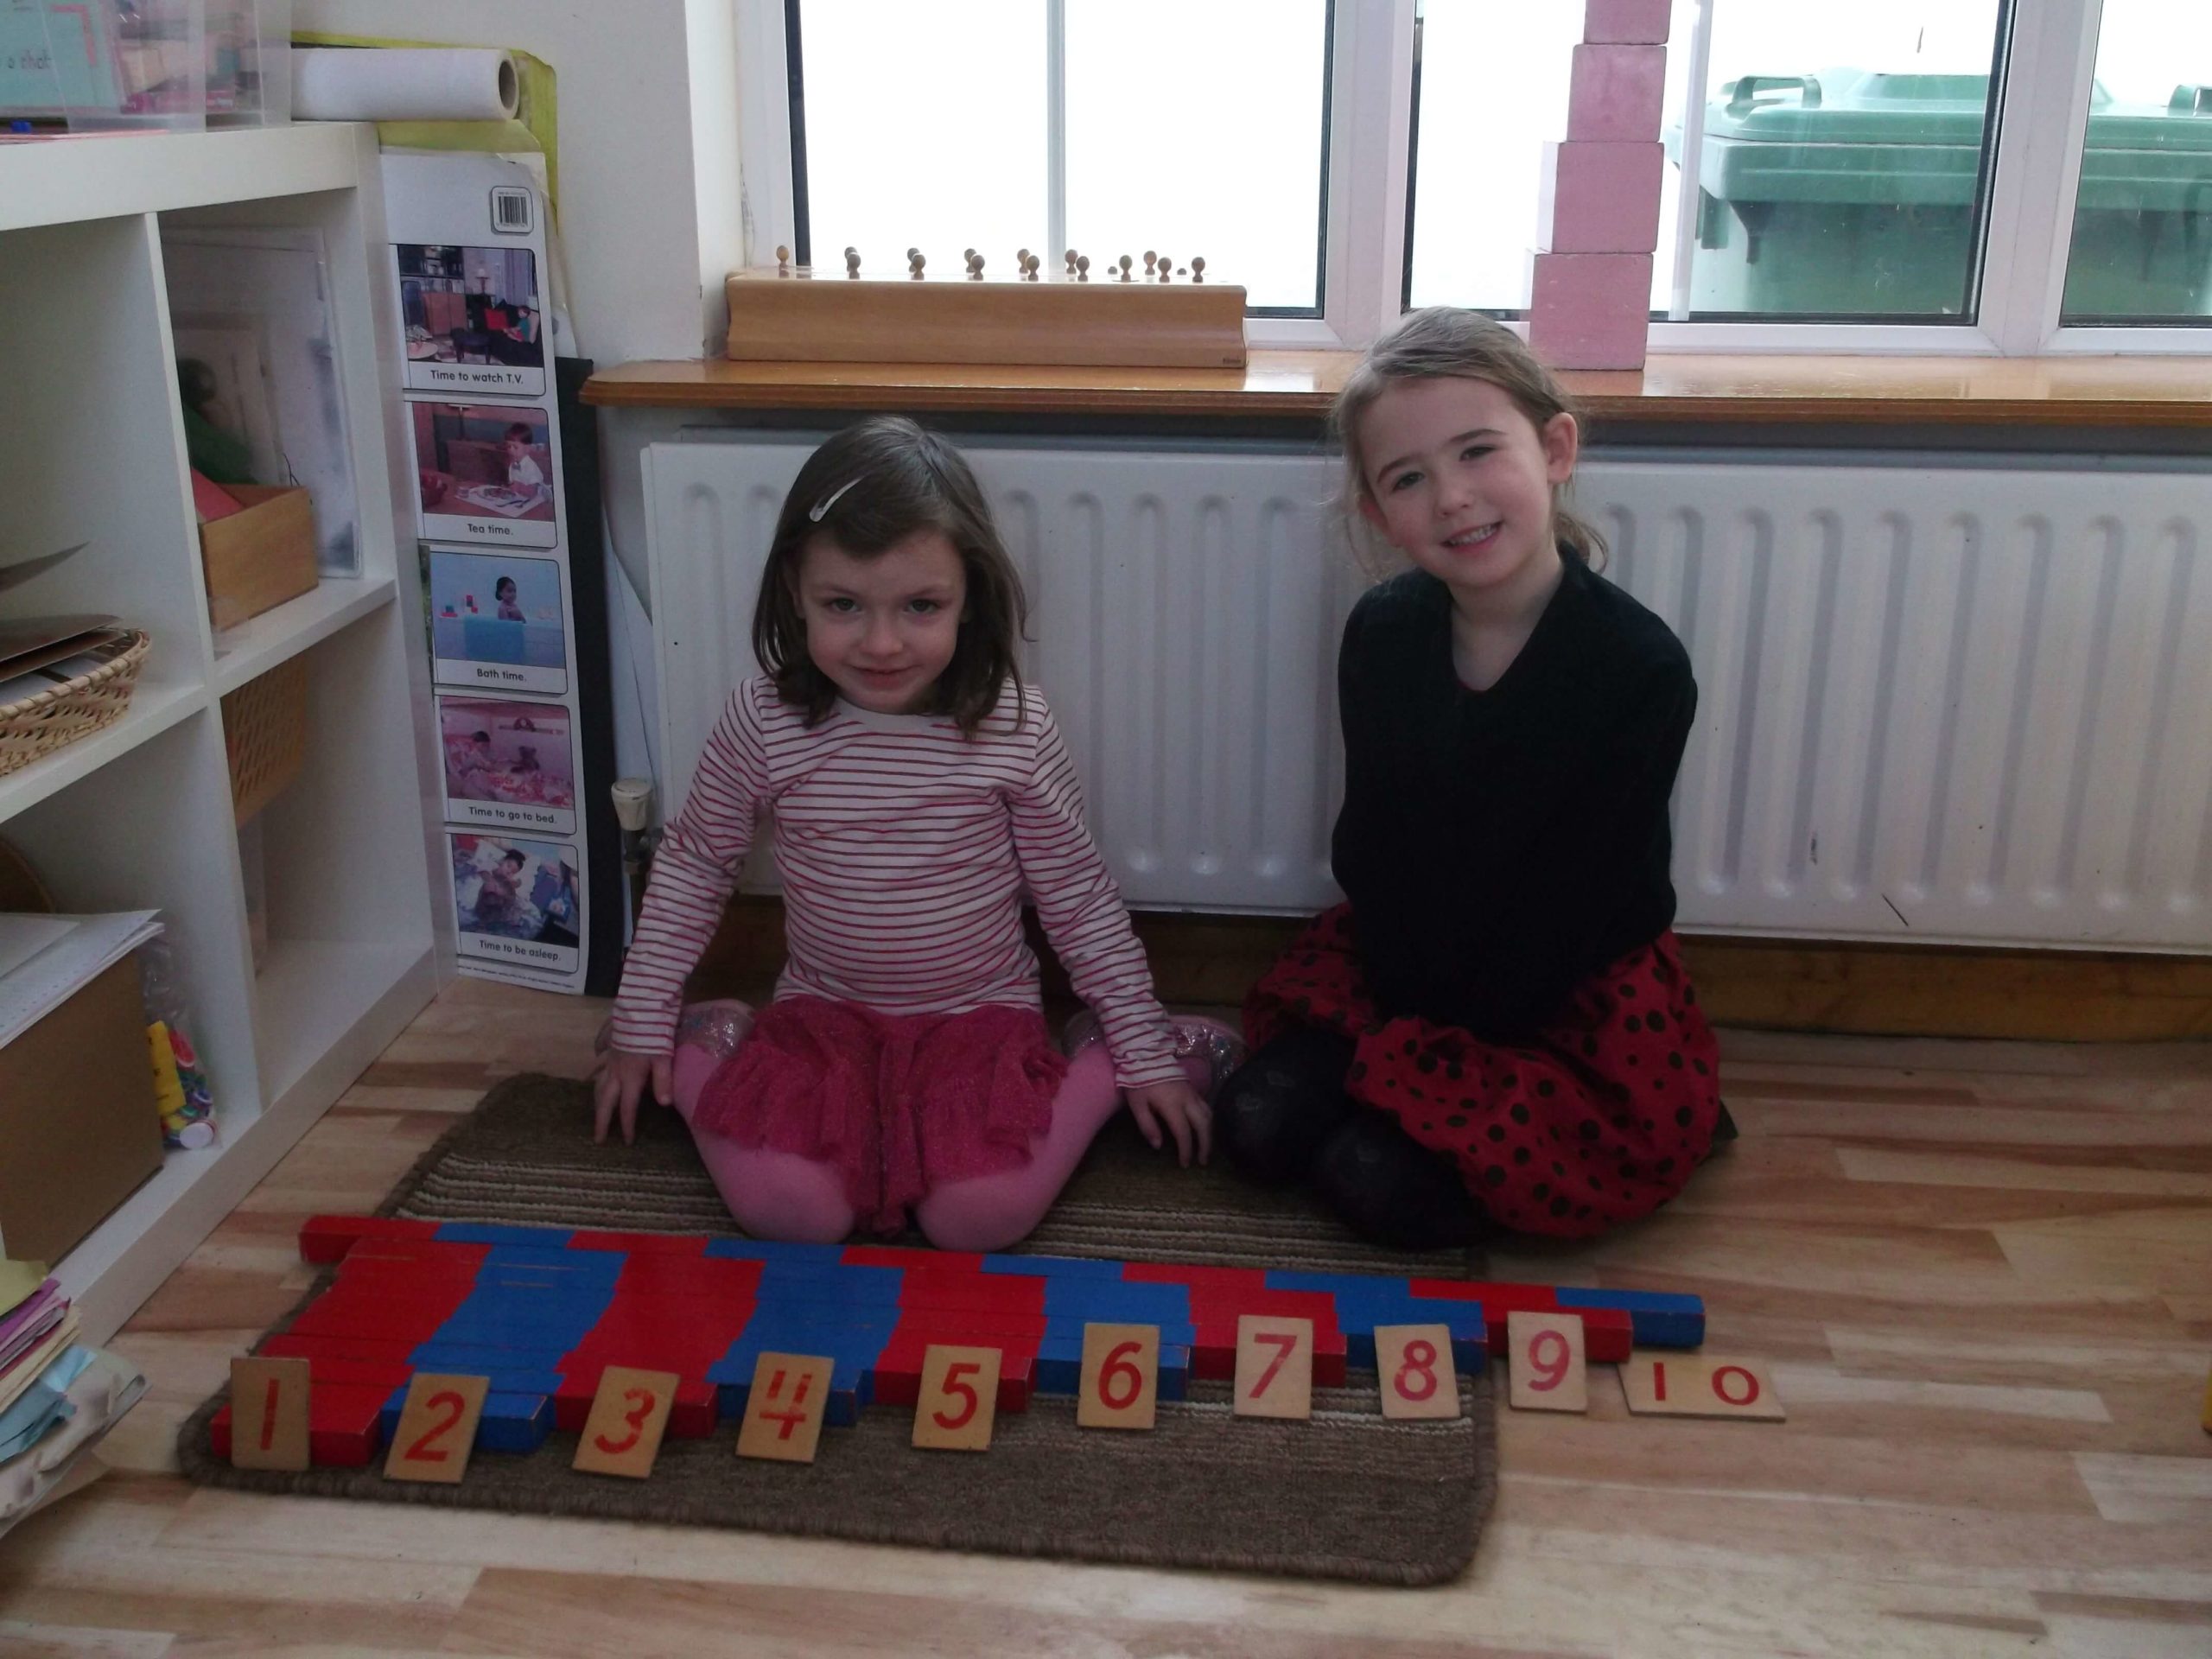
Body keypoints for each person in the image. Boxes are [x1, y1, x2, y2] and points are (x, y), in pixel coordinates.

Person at [594, 416, 1232, 1249]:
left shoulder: (1014, 727)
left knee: (979, 1218)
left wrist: (1140, 1049)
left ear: (970, 598)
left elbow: (1077, 900)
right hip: (823, 1020)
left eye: (921, 606)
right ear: (795, 589)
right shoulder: (764, 719)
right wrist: (642, 1016)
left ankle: (1103, 1060)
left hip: (978, 1023)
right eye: (843, 605)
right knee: (791, 1216)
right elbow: (694, 865)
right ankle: (703, 1042)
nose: (882, 643)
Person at [1216, 308, 1726, 1249]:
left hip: (1562, 995)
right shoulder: (1383, 630)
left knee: (1370, 1184)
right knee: (1251, 1126)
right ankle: (1391, 1102)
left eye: (1478, 453)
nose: (1451, 498)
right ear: (1379, 512)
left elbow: (1583, 903)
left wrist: (1441, 1051)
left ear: (1554, 449)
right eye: (1408, 478)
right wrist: (1399, 1021)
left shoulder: (1638, 667)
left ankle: (1415, 1130)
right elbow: (1372, 838)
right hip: (1406, 955)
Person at [502, 423, 545, 498]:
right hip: (520, 498)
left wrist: (520, 487)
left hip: (534, 499)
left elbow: (534, 491)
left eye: (515, 447)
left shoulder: (531, 467)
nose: (511, 450)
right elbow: (512, 482)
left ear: (527, 449)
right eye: (509, 446)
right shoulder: (513, 464)